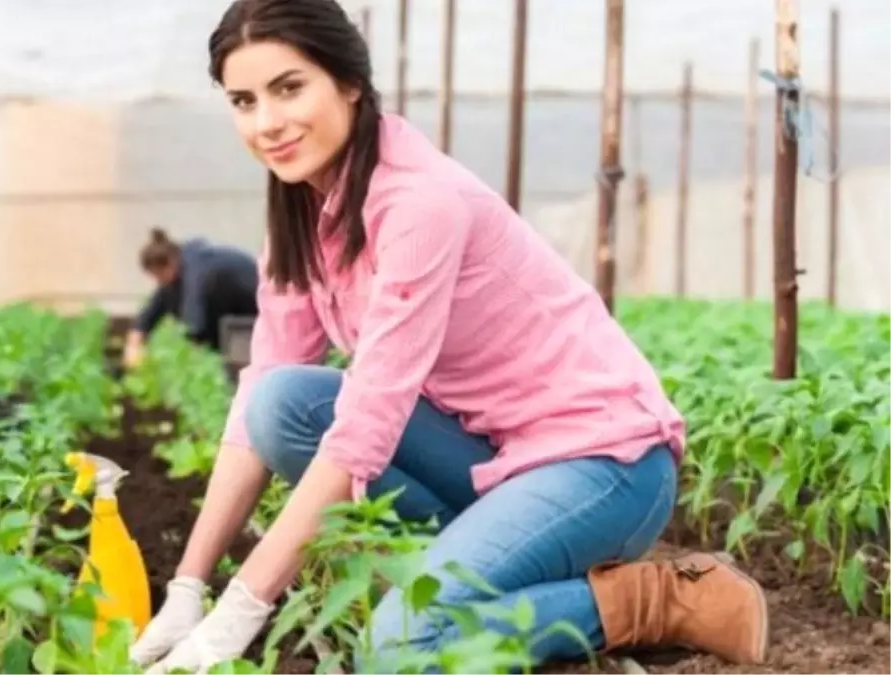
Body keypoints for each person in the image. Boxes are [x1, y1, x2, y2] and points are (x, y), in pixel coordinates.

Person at [131, 0, 770, 673]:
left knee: (403, 644)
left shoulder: (418, 204)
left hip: (603, 465)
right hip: (495, 458)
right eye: (244, 100)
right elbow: (262, 387)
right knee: (280, 404)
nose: (268, 123)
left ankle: (658, 599)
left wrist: (242, 608)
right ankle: (476, 569)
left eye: (289, 88)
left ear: (349, 81)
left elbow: (363, 431)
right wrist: (188, 585)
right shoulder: (300, 217)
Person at [123, 227, 259, 367]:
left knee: (239, 368)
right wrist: (135, 340)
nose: (158, 281)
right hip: (232, 318)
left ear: (170, 262)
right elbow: (156, 305)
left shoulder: (196, 270)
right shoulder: (180, 268)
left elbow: (194, 323)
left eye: (158, 275)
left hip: (253, 314)